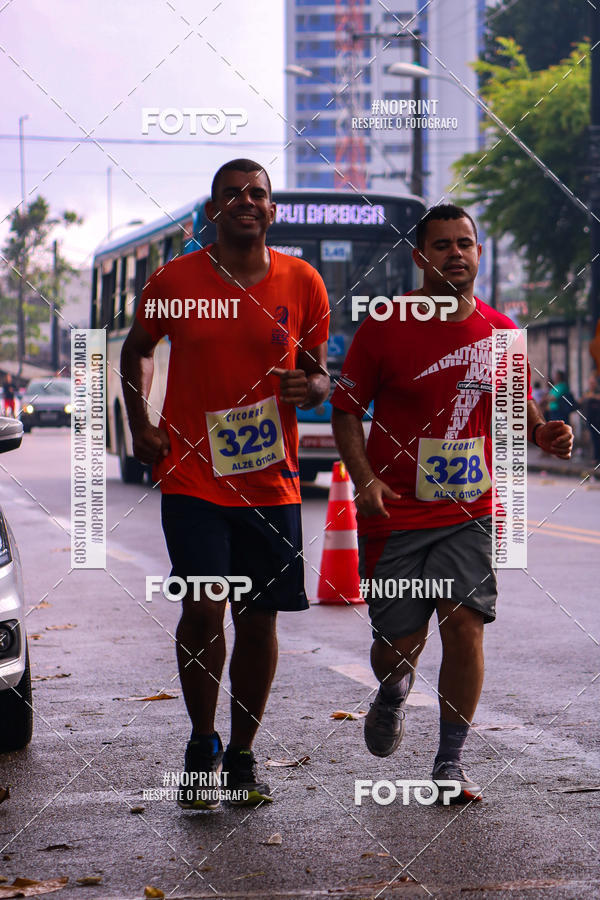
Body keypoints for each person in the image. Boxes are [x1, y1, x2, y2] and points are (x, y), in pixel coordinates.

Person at [331, 204, 573, 804]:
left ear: (479, 254)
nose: (455, 254)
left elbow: (520, 412)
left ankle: (450, 761)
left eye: (464, 243)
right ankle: (391, 692)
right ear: (421, 258)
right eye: (441, 245)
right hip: (397, 512)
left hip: (469, 508)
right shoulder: (384, 326)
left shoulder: (499, 330)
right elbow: (345, 410)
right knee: (398, 644)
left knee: (465, 626)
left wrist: (545, 434)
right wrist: (365, 479)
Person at [120, 159, 330, 810]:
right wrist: (141, 423)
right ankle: (201, 741)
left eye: (258, 194)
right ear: (213, 211)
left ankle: (242, 753)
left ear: (272, 211)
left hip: (272, 483)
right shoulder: (175, 281)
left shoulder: (304, 282)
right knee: (205, 606)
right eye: (232, 193)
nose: (246, 201)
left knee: (259, 619)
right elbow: (136, 349)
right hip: (193, 476)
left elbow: (322, 375)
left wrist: (313, 386)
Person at [581, 372, 600, 464]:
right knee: (593, 439)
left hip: (598, 419)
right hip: (590, 419)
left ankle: (597, 458)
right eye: (590, 383)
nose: (591, 385)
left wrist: (593, 396)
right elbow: (581, 401)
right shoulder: (587, 392)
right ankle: (595, 458)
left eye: (593, 383)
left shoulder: (597, 392)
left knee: (597, 438)